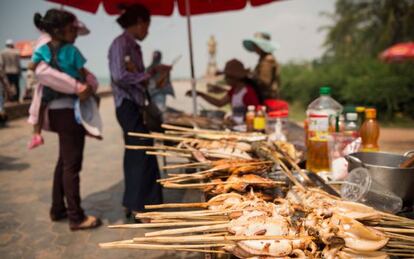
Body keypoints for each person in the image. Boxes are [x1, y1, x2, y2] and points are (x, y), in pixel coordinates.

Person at [28, 9, 101, 231]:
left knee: (63, 162)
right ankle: (76, 217)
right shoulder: (72, 51)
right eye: (72, 29)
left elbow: (34, 68)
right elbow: (84, 75)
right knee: (72, 166)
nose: (76, 34)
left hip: (55, 113)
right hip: (70, 114)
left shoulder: (43, 51)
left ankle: (57, 208)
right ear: (59, 30)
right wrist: (85, 86)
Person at [108, 4, 163, 221]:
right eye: (147, 26)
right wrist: (146, 74)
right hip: (127, 106)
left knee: (139, 152)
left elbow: (137, 75)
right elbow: (119, 75)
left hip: (137, 104)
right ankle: (140, 207)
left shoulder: (134, 47)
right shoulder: (120, 44)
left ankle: (136, 203)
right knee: (140, 153)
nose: (147, 32)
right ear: (140, 22)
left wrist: (150, 74)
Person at [186, 59, 260, 124]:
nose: (225, 79)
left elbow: (256, 112)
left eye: (226, 77)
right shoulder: (234, 90)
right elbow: (220, 103)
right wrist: (201, 94)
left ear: (234, 78)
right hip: (234, 124)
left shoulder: (248, 92)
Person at [243, 32, 281, 102]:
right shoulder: (264, 59)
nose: (254, 47)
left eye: (256, 45)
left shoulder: (267, 60)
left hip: (267, 99)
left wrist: (247, 77)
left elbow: (264, 82)